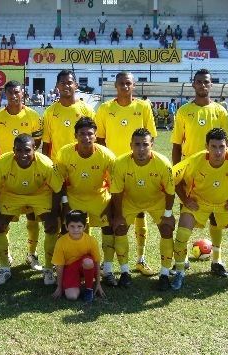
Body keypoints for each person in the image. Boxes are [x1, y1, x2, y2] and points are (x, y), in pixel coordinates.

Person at [171, 128, 228, 292]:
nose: (218, 151)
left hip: (225, 203)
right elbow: (172, 177)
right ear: (207, 146)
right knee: (182, 233)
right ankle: (179, 272)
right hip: (199, 202)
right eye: (214, 147)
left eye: (222, 146)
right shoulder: (195, 160)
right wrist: (185, 200)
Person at [95, 71, 158, 278]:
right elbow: (100, 141)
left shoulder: (143, 107)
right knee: (114, 213)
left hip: (139, 166)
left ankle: (140, 259)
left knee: (140, 212)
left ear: (134, 85)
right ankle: (109, 261)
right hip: (114, 169)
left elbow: (152, 138)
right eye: (121, 83)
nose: (125, 86)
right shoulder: (105, 108)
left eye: (128, 83)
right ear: (115, 85)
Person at [171, 69, 228, 276]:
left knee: (215, 213)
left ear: (211, 85)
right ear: (193, 85)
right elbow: (177, 144)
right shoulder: (183, 111)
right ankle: (183, 257)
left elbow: (227, 144)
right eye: (199, 82)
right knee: (186, 210)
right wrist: (177, 172)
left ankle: (217, 259)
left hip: (215, 170)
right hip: (190, 170)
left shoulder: (220, 111)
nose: (203, 85)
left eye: (206, 82)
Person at [0, 134, 63, 285]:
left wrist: (53, 215)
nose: (23, 154)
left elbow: (57, 189)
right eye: (19, 150)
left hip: (39, 194)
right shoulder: (2, 162)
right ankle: (4, 268)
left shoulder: (46, 163)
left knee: (52, 226)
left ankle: (48, 269)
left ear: (35, 149)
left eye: (27, 150)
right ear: (13, 150)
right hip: (11, 194)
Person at [110, 128, 176, 290]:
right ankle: (125, 273)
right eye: (137, 144)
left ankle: (165, 274)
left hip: (156, 201)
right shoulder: (120, 163)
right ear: (130, 145)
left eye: (145, 144)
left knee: (167, 229)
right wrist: (118, 216)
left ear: (152, 144)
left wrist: (168, 215)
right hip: (131, 201)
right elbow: (117, 192)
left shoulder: (162, 163)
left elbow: (170, 191)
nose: (141, 149)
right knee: (119, 228)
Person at [0, 80, 43, 271]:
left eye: (17, 92)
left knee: (32, 216)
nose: (14, 96)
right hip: (6, 174)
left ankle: (32, 254)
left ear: (23, 94)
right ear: (5, 95)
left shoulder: (34, 116)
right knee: (6, 217)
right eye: (10, 93)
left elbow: (37, 143)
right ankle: (7, 254)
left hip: (30, 172)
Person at [56, 117, 116, 286]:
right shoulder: (65, 153)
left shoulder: (106, 155)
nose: (86, 137)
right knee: (77, 233)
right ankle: (80, 267)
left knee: (108, 227)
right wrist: (65, 203)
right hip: (74, 198)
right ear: (75, 135)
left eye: (90, 134)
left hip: (99, 197)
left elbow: (116, 184)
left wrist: (110, 205)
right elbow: (60, 180)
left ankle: (108, 269)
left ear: (96, 136)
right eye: (82, 134)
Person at [52, 210, 105, 302]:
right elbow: (59, 265)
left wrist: (98, 284)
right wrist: (59, 287)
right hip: (70, 269)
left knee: (88, 261)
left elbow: (96, 262)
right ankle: (77, 284)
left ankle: (89, 288)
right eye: (72, 226)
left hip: (85, 265)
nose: (76, 230)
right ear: (66, 226)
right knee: (72, 297)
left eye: (79, 226)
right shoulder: (61, 242)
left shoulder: (91, 240)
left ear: (84, 227)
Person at [42, 70, 94, 161]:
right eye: (62, 83)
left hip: (81, 163)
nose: (66, 86)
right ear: (57, 86)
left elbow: (94, 141)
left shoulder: (87, 110)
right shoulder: (49, 112)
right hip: (58, 163)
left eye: (70, 83)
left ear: (76, 85)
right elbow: (46, 143)